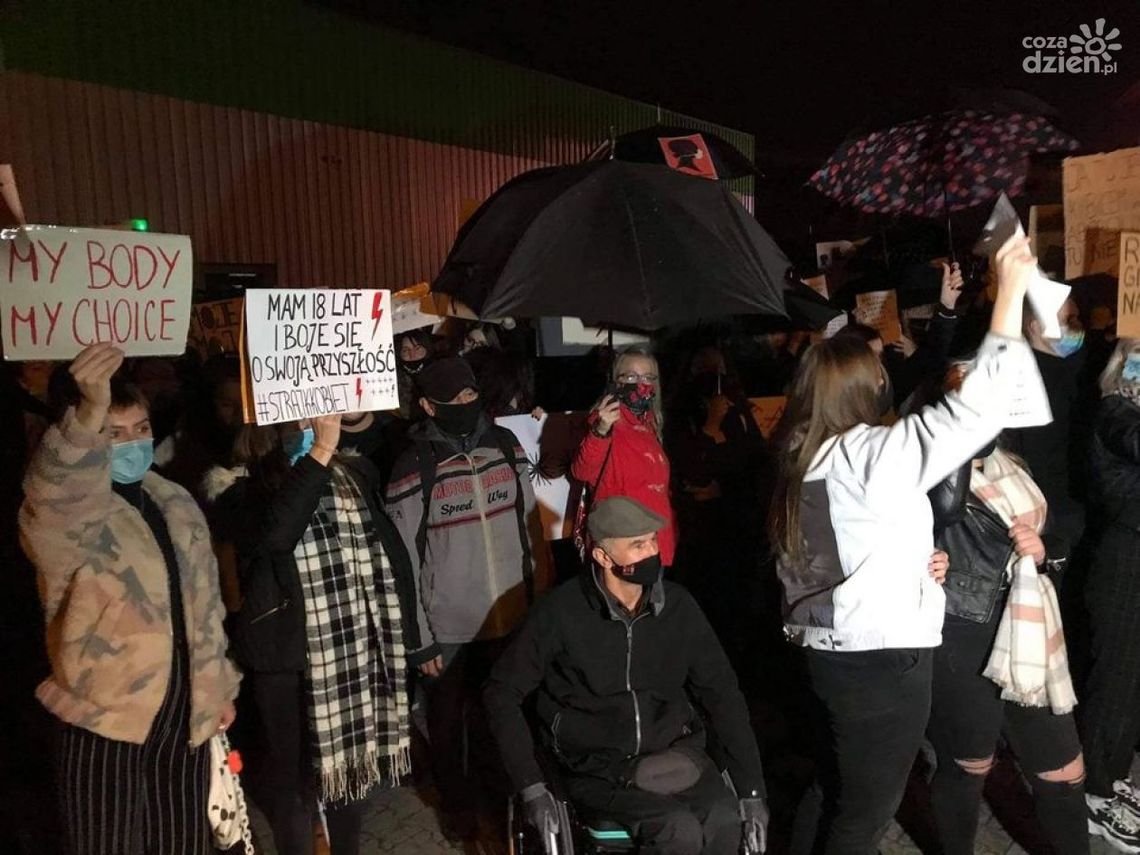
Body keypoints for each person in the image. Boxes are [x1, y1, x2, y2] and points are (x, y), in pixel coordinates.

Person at [770, 235, 1044, 854]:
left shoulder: (801, 451)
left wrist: (912, 567)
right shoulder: (869, 454)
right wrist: (1008, 295)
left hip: (829, 651)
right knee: (867, 812)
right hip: (878, 662)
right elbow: (977, 412)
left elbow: (846, 541)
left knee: (838, 785)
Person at [20, 342, 241, 855]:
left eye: (140, 429)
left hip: (184, 719)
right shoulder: (69, 515)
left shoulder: (174, 500)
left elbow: (204, 608)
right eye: (112, 434)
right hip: (107, 724)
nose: (132, 443)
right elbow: (55, 494)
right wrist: (87, 415)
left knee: (182, 843)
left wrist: (219, 686)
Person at [484, 496, 768, 855]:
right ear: (603, 557)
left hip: (674, 752)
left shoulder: (678, 608)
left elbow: (722, 692)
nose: (652, 552)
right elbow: (501, 692)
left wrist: (752, 790)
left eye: (653, 540)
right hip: (596, 766)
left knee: (726, 821)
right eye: (638, 545)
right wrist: (531, 786)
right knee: (677, 831)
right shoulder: (561, 613)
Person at [207, 413, 417, 855]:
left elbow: (391, 554)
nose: (316, 420)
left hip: (349, 646)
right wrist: (319, 453)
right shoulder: (238, 489)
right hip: (283, 658)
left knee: (347, 769)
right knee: (293, 783)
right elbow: (278, 536)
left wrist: (410, 633)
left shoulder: (352, 473)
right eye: (302, 416)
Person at [385, 357, 538, 840]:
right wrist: (420, 639)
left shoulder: (506, 445)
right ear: (428, 406)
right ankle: (456, 808)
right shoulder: (412, 467)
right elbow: (403, 561)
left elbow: (529, 523)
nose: (468, 405)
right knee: (448, 725)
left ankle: (506, 806)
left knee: (505, 721)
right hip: (446, 626)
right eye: (456, 400)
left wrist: (539, 601)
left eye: (472, 395)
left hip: (510, 616)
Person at [928, 409, 1087, 854]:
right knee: (969, 767)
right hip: (964, 629)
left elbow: (1060, 525)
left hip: (1028, 627)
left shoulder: (1010, 462)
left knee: (1065, 773)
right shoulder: (928, 468)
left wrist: (1045, 551)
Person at [1080, 338, 1140, 850]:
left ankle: (1112, 777)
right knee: (1117, 680)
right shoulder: (1115, 412)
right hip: (1124, 563)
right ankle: (1093, 795)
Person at [572, 345, 676, 567]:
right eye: (631, 376)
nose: (641, 383)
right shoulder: (605, 420)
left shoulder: (650, 423)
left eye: (648, 377)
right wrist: (601, 429)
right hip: (622, 544)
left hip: (654, 541)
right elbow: (582, 471)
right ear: (615, 382)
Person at [1004, 295, 1088, 569]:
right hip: (1049, 519)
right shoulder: (1021, 385)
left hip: (1074, 512)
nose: (1074, 328)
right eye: (1065, 321)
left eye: (1075, 319)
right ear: (1035, 328)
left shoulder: (1077, 371)